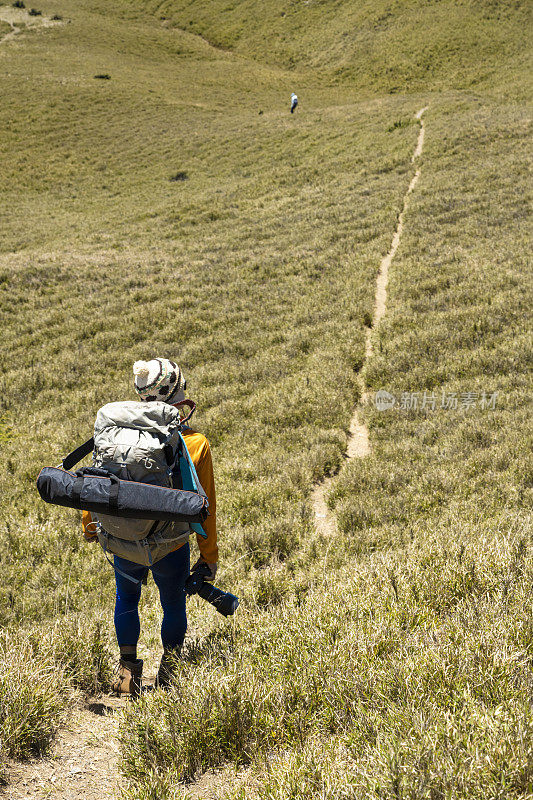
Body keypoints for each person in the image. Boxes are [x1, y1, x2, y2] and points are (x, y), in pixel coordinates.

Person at [82, 358, 218, 695]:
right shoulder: (195, 442)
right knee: (172, 603)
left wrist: (90, 525)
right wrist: (209, 555)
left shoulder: (116, 432)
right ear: (176, 391)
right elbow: (204, 508)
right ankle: (168, 675)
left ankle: (127, 675)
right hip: (168, 543)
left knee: (125, 599)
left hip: (121, 537)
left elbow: (95, 481)